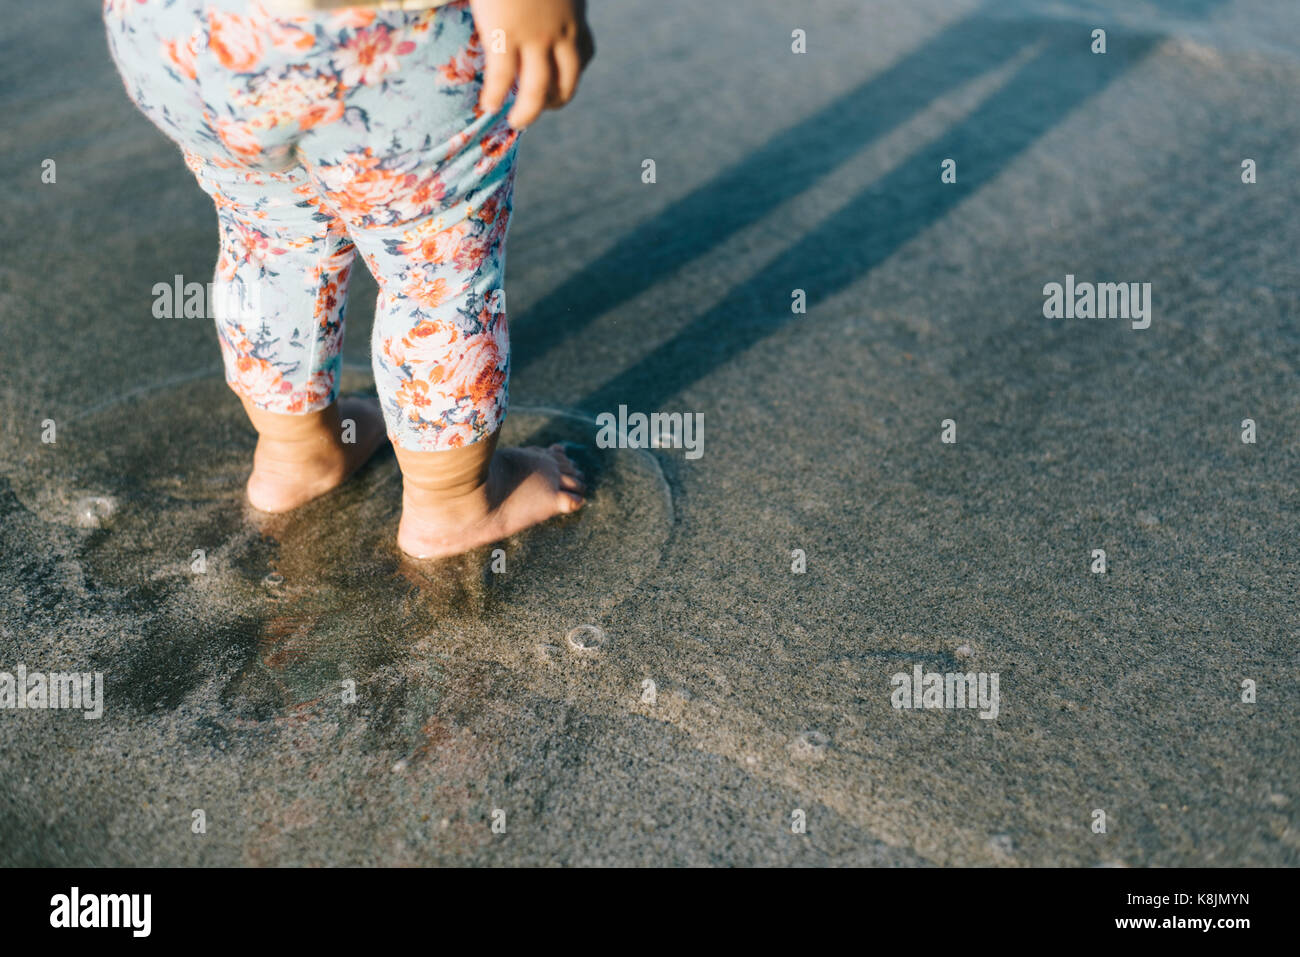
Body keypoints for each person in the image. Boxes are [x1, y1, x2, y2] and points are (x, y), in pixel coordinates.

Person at [103, 0, 595, 557]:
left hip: (178, 43)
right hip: (377, 48)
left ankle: (297, 454)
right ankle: (453, 501)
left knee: (270, 239)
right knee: (435, 272)